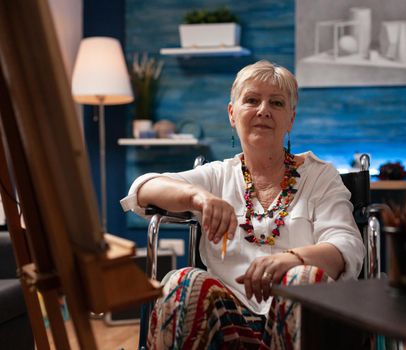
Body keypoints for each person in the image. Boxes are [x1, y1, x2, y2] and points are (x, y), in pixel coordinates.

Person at [121, 60, 365, 349]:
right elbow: (142, 188)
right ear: (232, 114)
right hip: (224, 319)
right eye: (251, 100)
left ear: (291, 119)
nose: (263, 110)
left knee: (302, 280)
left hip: (299, 318)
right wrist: (199, 197)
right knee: (182, 280)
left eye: (276, 102)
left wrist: (291, 260)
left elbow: (346, 246)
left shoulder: (320, 176)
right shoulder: (217, 176)